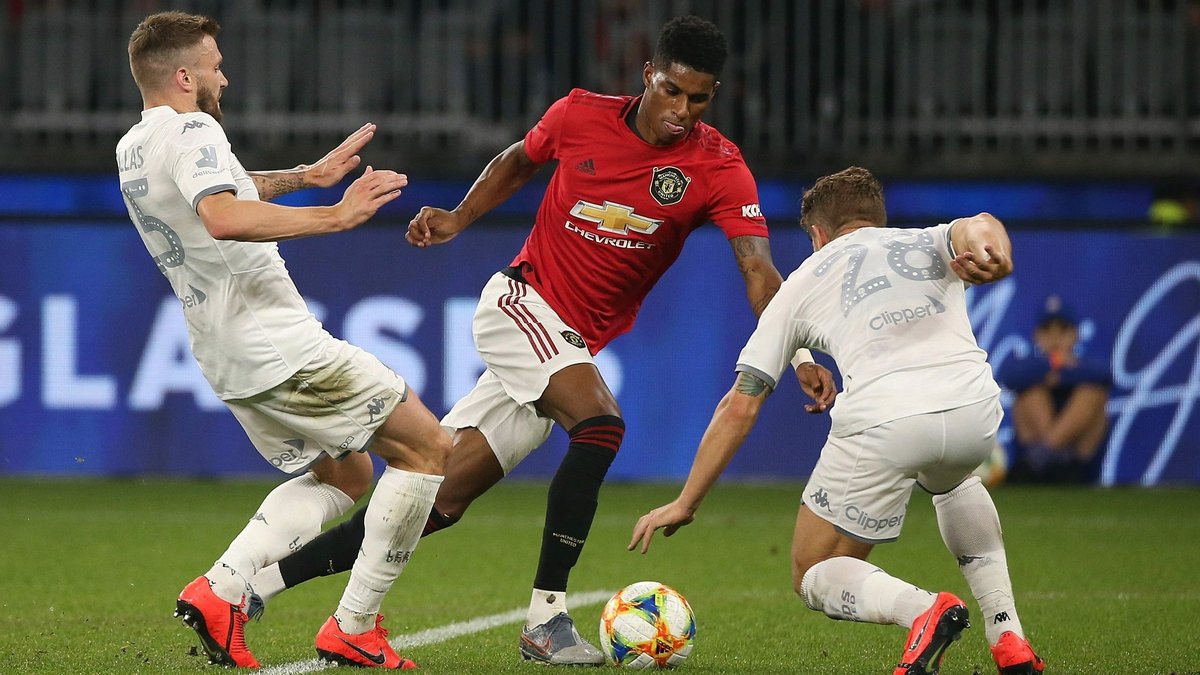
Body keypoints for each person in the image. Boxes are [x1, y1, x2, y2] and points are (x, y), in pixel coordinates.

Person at [246, 14, 834, 666]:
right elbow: (516, 161)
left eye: (698, 99)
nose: (681, 110)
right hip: (520, 304)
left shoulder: (718, 165)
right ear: (648, 75)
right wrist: (457, 218)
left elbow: (758, 272)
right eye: (672, 90)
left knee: (435, 498)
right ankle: (546, 619)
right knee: (601, 426)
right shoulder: (579, 114)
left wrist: (799, 351)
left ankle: (250, 590)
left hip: (567, 341)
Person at [119, 11, 449, 670]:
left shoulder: (135, 145)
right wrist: (338, 214)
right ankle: (354, 625)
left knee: (347, 471)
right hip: (276, 343)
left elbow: (218, 190)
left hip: (225, 350)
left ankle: (221, 590)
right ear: (183, 76)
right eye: (214, 67)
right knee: (428, 448)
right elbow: (221, 214)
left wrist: (307, 175)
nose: (224, 79)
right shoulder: (194, 128)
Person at [630, 167, 1044, 675]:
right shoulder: (924, 241)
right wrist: (994, 254)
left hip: (886, 419)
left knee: (813, 568)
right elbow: (980, 225)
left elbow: (740, 404)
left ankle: (924, 611)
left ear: (817, 234)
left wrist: (686, 502)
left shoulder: (803, 280)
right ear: (876, 219)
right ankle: (1007, 634)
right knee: (953, 479)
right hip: (975, 411)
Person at [999, 295, 1111, 484]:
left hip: (1074, 465)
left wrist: (1059, 373)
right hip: (1037, 464)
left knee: (1092, 393)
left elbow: (1105, 375)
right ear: (1036, 335)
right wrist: (1053, 365)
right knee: (1031, 392)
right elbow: (1010, 377)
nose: (1055, 338)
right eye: (1047, 330)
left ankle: (1044, 457)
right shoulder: (1030, 367)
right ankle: (1052, 460)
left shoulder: (1087, 367)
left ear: (1075, 334)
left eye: (1063, 330)